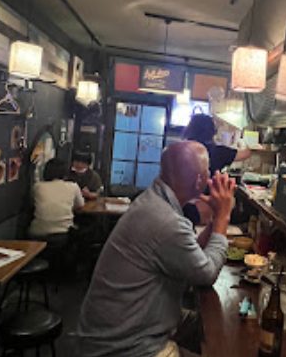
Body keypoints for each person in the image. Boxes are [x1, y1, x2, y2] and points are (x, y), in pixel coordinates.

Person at [77, 141, 236, 357]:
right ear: (199, 180)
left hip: (121, 327)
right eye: (208, 171)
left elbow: (190, 256)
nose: (211, 176)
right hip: (122, 347)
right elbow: (205, 273)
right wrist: (224, 216)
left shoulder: (155, 201)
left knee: (211, 329)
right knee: (222, 339)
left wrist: (216, 220)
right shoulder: (165, 220)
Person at [182, 113, 251, 224]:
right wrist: (244, 142)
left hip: (182, 205)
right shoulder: (218, 151)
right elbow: (246, 154)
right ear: (212, 131)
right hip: (206, 205)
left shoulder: (182, 149)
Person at [29, 158, 84, 238]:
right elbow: (80, 205)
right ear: (65, 172)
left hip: (38, 233)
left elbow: (33, 202)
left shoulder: (38, 187)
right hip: (63, 232)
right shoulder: (73, 186)